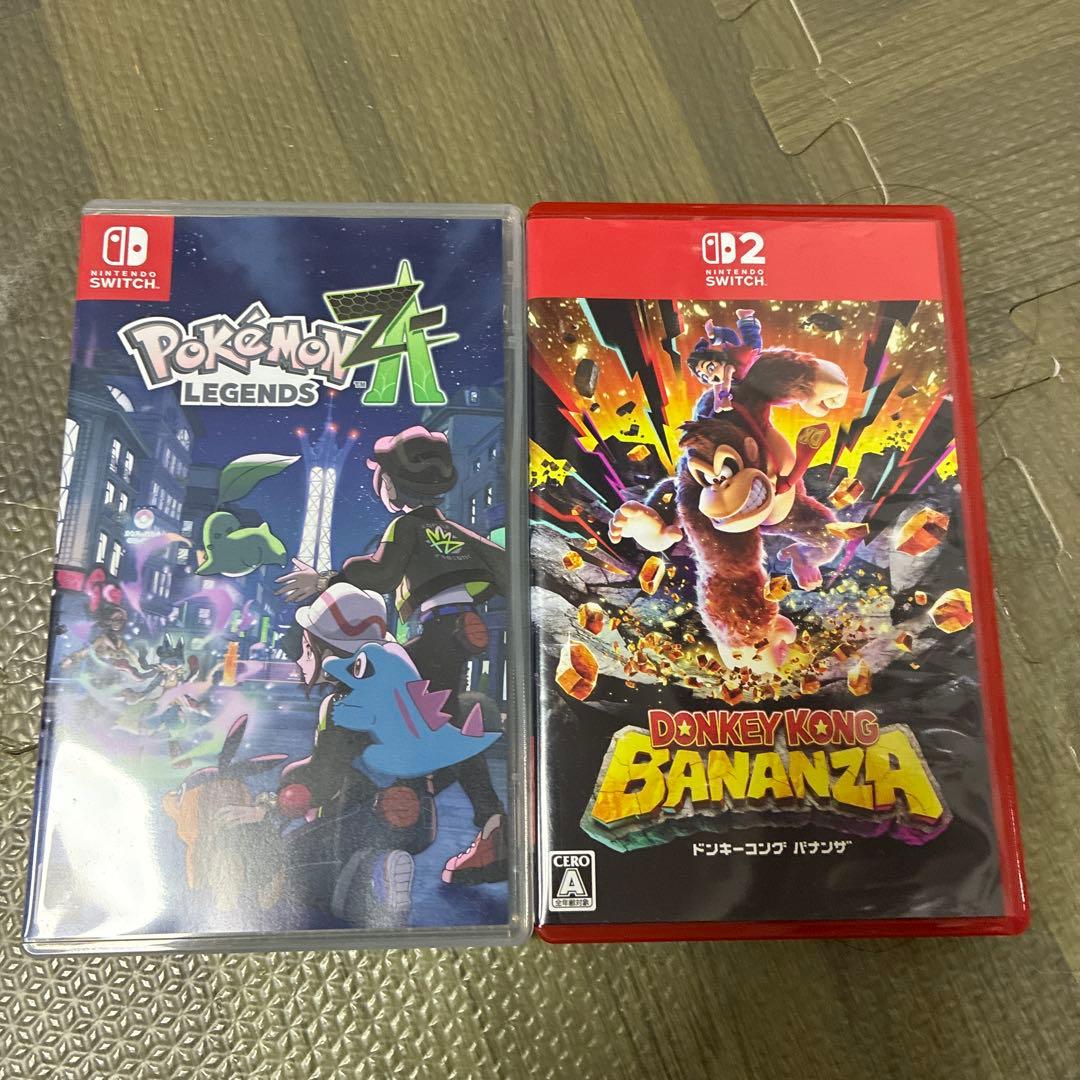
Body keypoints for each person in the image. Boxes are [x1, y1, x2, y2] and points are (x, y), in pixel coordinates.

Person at [276, 425, 509, 885]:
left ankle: (379, 789)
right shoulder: (456, 530)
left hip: (438, 627)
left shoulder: (405, 526)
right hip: (457, 628)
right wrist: (471, 599)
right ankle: (488, 822)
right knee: (444, 717)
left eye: (379, 478)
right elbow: (505, 565)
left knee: (372, 693)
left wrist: (325, 580)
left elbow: (381, 575)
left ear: (392, 483)